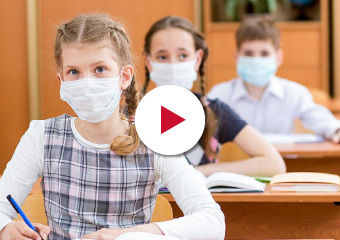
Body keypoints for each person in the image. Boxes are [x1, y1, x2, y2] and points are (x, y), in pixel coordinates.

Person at [0, 13, 225, 240]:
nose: (87, 82)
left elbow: (212, 222)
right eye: (74, 72)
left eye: (99, 69)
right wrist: (6, 229)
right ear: (62, 82)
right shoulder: (42, 136)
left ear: (124, 76)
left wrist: (128, 234)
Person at [143, 16, 286, 177]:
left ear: (197, 60)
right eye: (162, 57)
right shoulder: (131, 116)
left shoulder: (215, 111)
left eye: (183, 56)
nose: (173, 65)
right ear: (149, 62)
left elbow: (274, 164)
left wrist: (202, 171)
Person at [208, 18, 340, 142]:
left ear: (278, 57)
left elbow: (321, 120)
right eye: (248, 53)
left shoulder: (294, 93)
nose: (256, 60)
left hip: (283, 164)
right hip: (233, 165)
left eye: (264, 53)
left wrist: (336, 131)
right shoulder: (219, 95)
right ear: (236, 56)